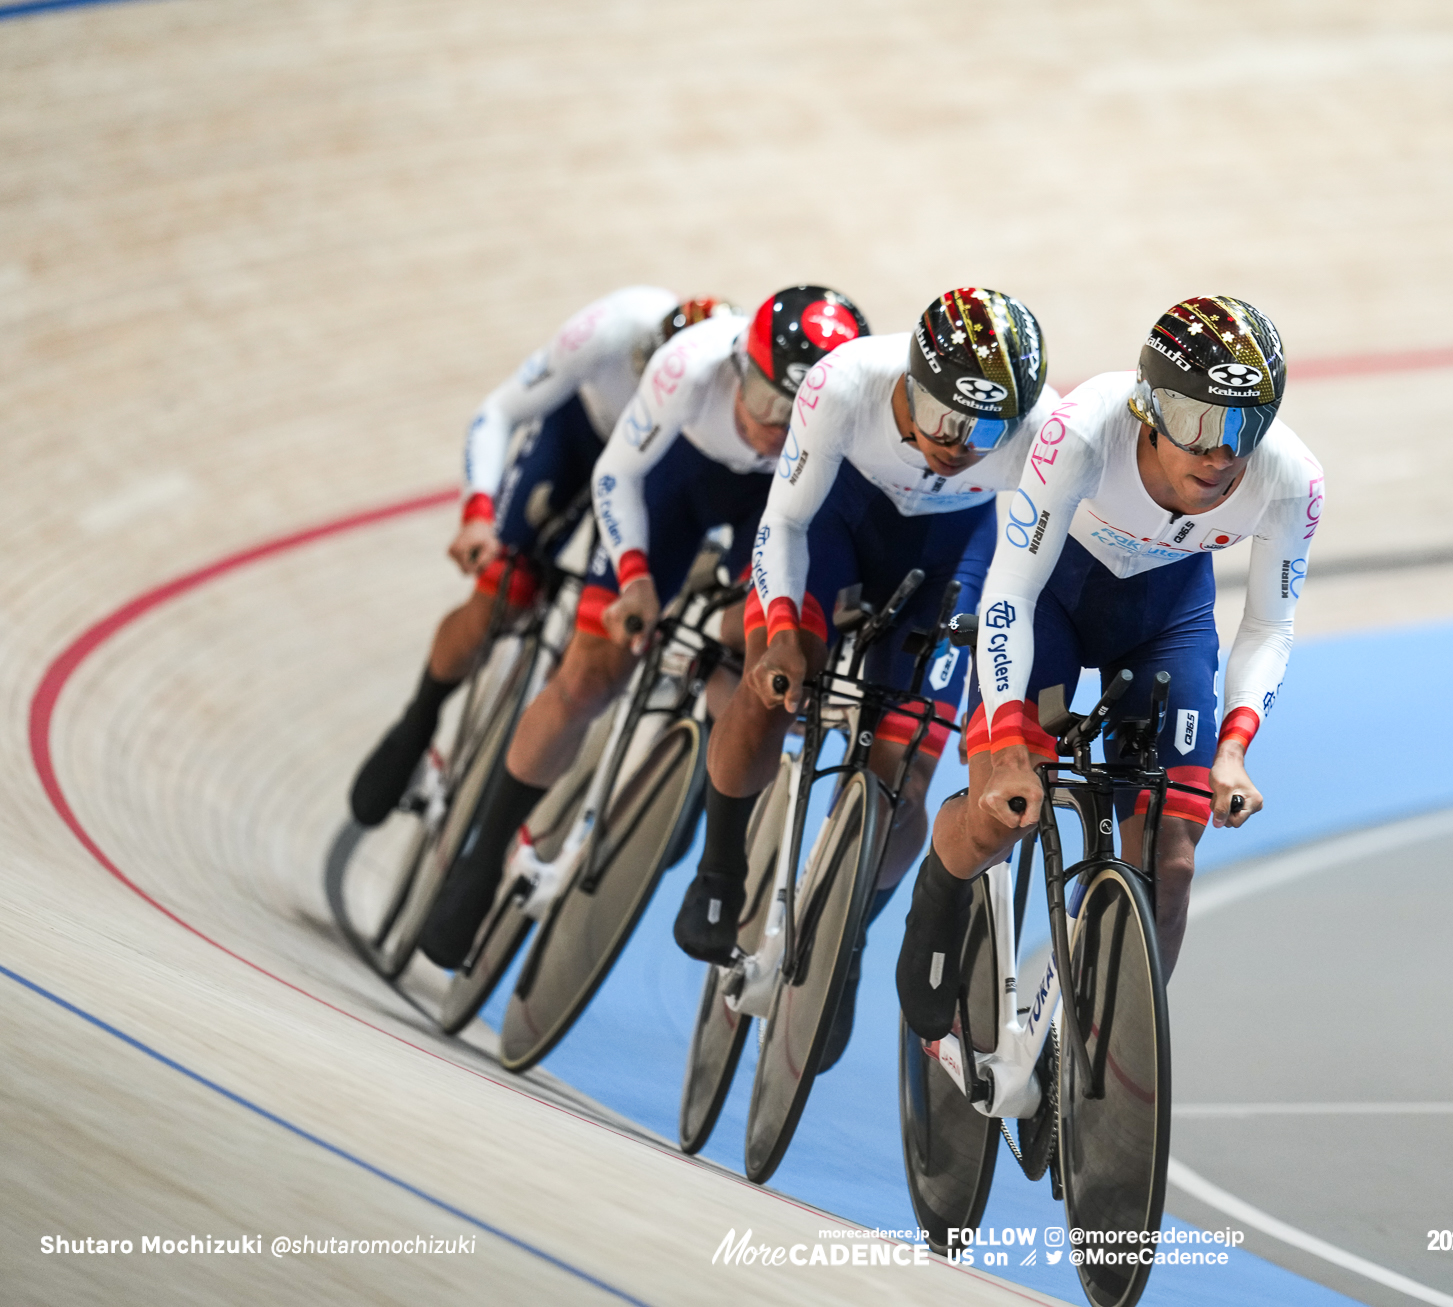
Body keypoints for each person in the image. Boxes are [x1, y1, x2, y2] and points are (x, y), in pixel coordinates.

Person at [896, 295, 1325, 1040]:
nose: (1220, 453)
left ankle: (1109, 1058)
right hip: (1051, 608)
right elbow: (1012, 590)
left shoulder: (1292, 477)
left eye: (1242, 427)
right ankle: (940, 885)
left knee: (1174, 856)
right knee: (1005, 807)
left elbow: (1268, 623)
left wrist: (1232, 749)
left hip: (1166, 621)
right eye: (1197, 423)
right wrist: (1002, 742)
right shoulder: (1084, 428)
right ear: (1149, 409)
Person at [412, 286, 872, 967]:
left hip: (775, 507)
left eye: (796, 416)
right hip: (672, 481)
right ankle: (482, 860)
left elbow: (817, 536)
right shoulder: (690, 363)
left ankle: (714, 799)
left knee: (756, 668)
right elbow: (616, 474)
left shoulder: (852, 415)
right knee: (594, 669)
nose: (774, 430)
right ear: (739, 366)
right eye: (768, 402)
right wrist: (632, 578)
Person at [670, 287, 1059, 1065]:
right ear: (911, 380)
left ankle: (848, 935)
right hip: (838, 523)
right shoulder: (842, 379)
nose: (959, 442)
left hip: (952, 548)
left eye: (986, 430)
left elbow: (1030, 574)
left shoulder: (1045, 431)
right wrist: (779, 633)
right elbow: (781, 522)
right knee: (775, 680)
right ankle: (720, 862)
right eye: (947, 417)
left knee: (906, 772)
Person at [348, 286, 728, 827]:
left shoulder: (727, 402)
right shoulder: (612, 329)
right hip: (580, 436)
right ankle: (422, 713)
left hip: (653, 478)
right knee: (503, 590)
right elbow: (498, 411)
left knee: (596, 650)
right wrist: (478, 512)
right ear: (642, 360)